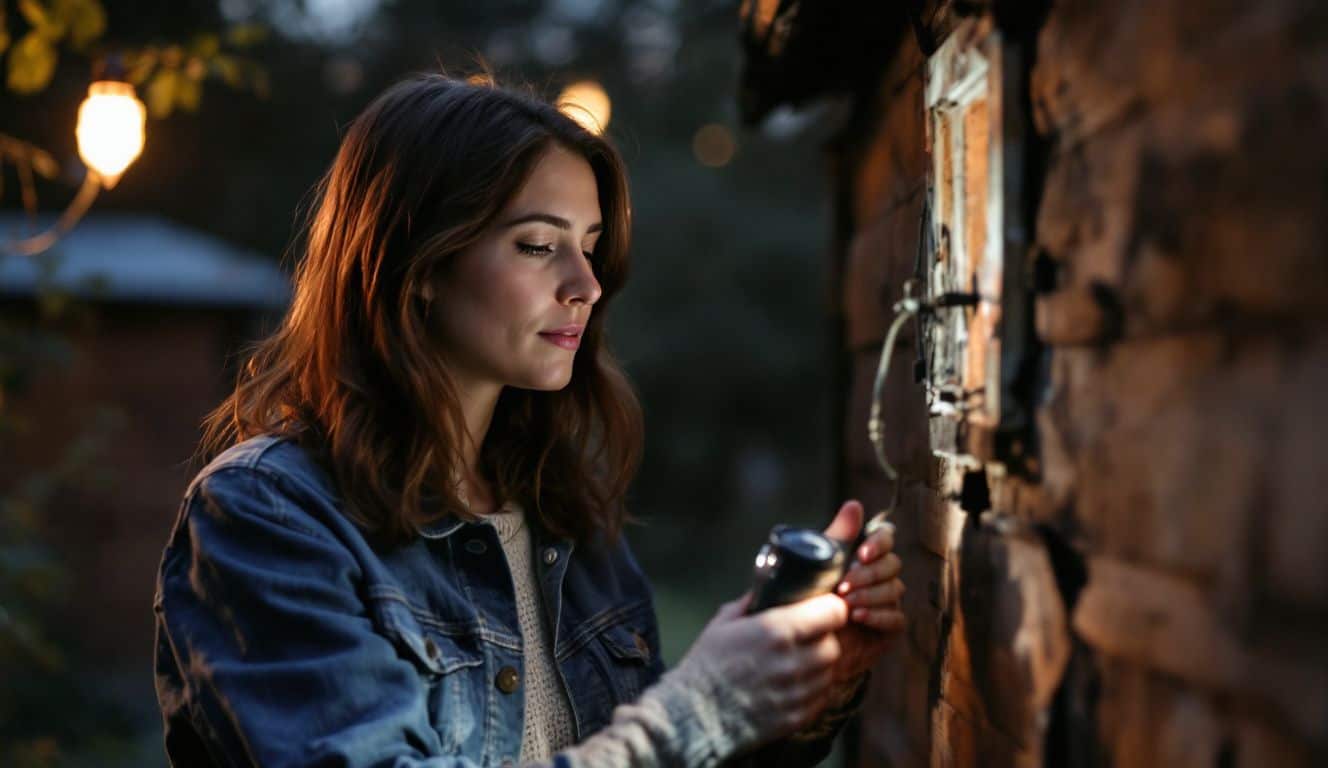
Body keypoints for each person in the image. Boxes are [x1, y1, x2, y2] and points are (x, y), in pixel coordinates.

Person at [152, 72, 907, 768]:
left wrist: (796, 686)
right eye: (539, 246)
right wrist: (699, 710)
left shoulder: (560, 512)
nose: (586, 284)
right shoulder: (269, 516)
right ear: (417, 268)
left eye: (591, 247)